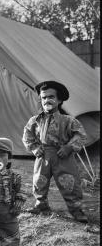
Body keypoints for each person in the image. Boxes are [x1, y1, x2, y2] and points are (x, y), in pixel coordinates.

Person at [22, 80, 88, 223]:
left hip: (63, 156)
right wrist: (34, 147)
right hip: (43, 155)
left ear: (59, 100)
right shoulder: (35, 120)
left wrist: (69, 147)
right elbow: (27, 135)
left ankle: (76, 210)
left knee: (69, 182)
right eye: (44, 97)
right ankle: (41, 205)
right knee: (39, 181)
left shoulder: (68, 120)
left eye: (51, 97)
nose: (47, 100)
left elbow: (81, 135)